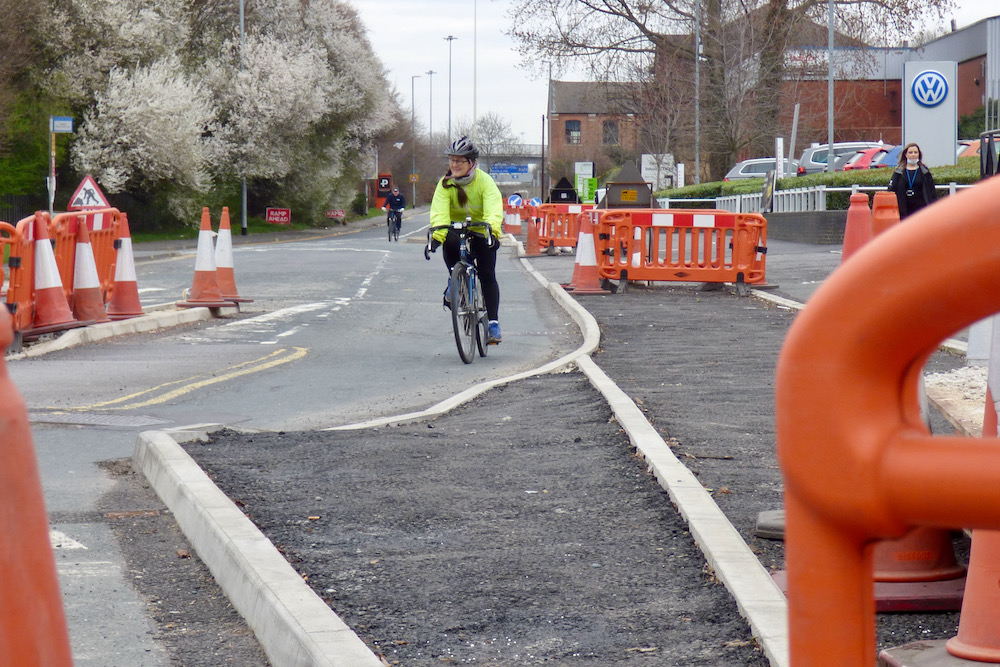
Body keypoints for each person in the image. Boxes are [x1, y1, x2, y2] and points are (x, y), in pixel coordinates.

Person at [429, 136, 504, 344]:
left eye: (459, 161)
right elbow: (440, 214)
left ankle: (493, 323)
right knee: (449, 242)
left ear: (471, 163)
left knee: (487, 273)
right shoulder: (445, 185)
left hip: (481, 228)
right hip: (455, 228)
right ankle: (454, 280)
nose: (454, 165)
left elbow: (493, 210)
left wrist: (493, 233)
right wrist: (436, 237)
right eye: (452, 160)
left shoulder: (485, 181)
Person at [887, 142, 936, 218]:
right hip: (903, 211)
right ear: (906, 155)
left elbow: (932, 192)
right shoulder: (898, 172)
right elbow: (890, 190)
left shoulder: (924, 172)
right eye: (910, 152)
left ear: (919, 155)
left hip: (921, 211)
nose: (913, 155)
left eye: (915, 152)